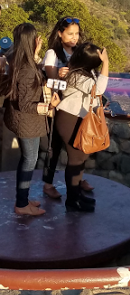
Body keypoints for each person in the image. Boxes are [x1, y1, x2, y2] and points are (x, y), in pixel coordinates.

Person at [1, 23, 60, 216]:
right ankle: (21, 204)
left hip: (19, 119)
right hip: (27, 122)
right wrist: (49, 106)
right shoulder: (26, 68)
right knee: (29, 160)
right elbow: (26, 104)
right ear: (32, 40)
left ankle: (23, 198)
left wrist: (36, 54)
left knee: (27, 159)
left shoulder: (15, 58)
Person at [55, 43, 108, 212]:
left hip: (79, 118)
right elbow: (98, 89)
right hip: (70, 119)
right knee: (75, 161)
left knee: (81, 159)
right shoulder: (77, 75)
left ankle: (76, 194)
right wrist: (106, 63)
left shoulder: (85, 72)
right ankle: (72, 201)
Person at [42, 17, 83, 199]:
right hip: (59, 108)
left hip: (76, 107)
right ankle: (48, 184)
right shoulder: (53, 54)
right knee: (55, 147)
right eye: (70, 33)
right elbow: (50, 82)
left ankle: (78, 180)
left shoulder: (80, 52)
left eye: (77, 33)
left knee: (79, 145)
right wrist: (58, 74)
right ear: (60, 34)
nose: (74, 37)